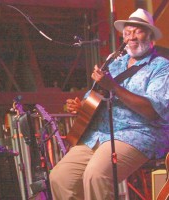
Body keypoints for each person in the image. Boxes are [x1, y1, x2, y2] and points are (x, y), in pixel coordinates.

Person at [49, 8, 169, 199]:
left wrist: (113, 87)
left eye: (138, 31)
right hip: (98, 134)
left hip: (137, 133)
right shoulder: (115, 62)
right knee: (60, 177)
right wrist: (82, 106)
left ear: (150, 35)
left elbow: (153, 111)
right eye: (127, 32)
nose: (131, 37)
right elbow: (97, 95)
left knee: (96, 175)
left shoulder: (161, 67)